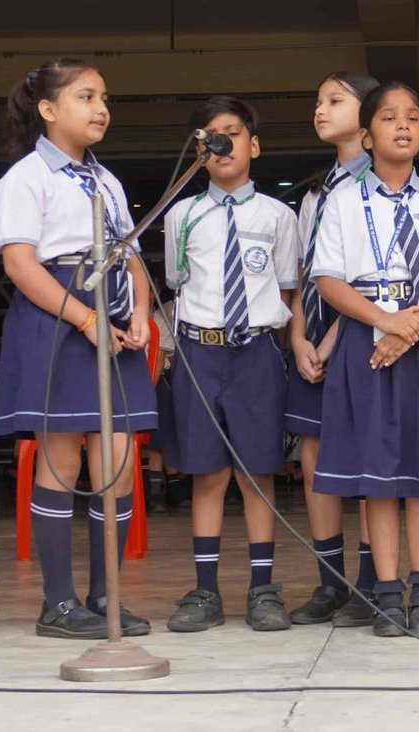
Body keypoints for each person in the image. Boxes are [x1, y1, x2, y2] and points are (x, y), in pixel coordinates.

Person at [0, 58, 157, 640]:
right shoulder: (26, 177)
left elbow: (130, 256)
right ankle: (57, 602)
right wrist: (85, 318)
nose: (100, 108)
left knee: (118, 460)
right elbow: (19, 264)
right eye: (85, 97)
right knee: (61, 458)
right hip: (60, 319)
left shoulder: (107, 181)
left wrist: (139, 310)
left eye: (104, 98)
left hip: (113, 321)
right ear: (48, 109)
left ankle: (107, 596)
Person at [310, 81, 419, 637]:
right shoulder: (342, 201)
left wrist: (412, 326)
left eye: (412, 117)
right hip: (367, 340)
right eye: (388, 117)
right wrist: (385, 322)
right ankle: (387, 593)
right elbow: (329, 280)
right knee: (378, 475)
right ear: (367, 136)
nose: (402, 125)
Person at [163, 96, 298, 633]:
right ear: (199, 150)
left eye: (233, 133)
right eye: (210, 137)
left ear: (254, 145)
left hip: (256, 351)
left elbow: (286, 288)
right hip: (198, 351)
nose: (222, 144)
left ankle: (263, 589)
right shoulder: (181, 214)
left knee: (257, 473)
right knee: (208, 473)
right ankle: (206, 591)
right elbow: (177, 286)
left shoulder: (279, 216)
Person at [284, 71, 381, 628]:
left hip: (361, 335)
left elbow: (374, 277)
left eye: (335, 100)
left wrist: (331, 338)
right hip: (314, 337)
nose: (320, 110)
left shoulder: (381, 185)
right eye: (318, 100)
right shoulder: (317, 193)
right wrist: (299, 336)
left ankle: (371, 582)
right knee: (314, 454)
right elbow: (305, 274)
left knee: (367, 457)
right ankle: (330, 582)